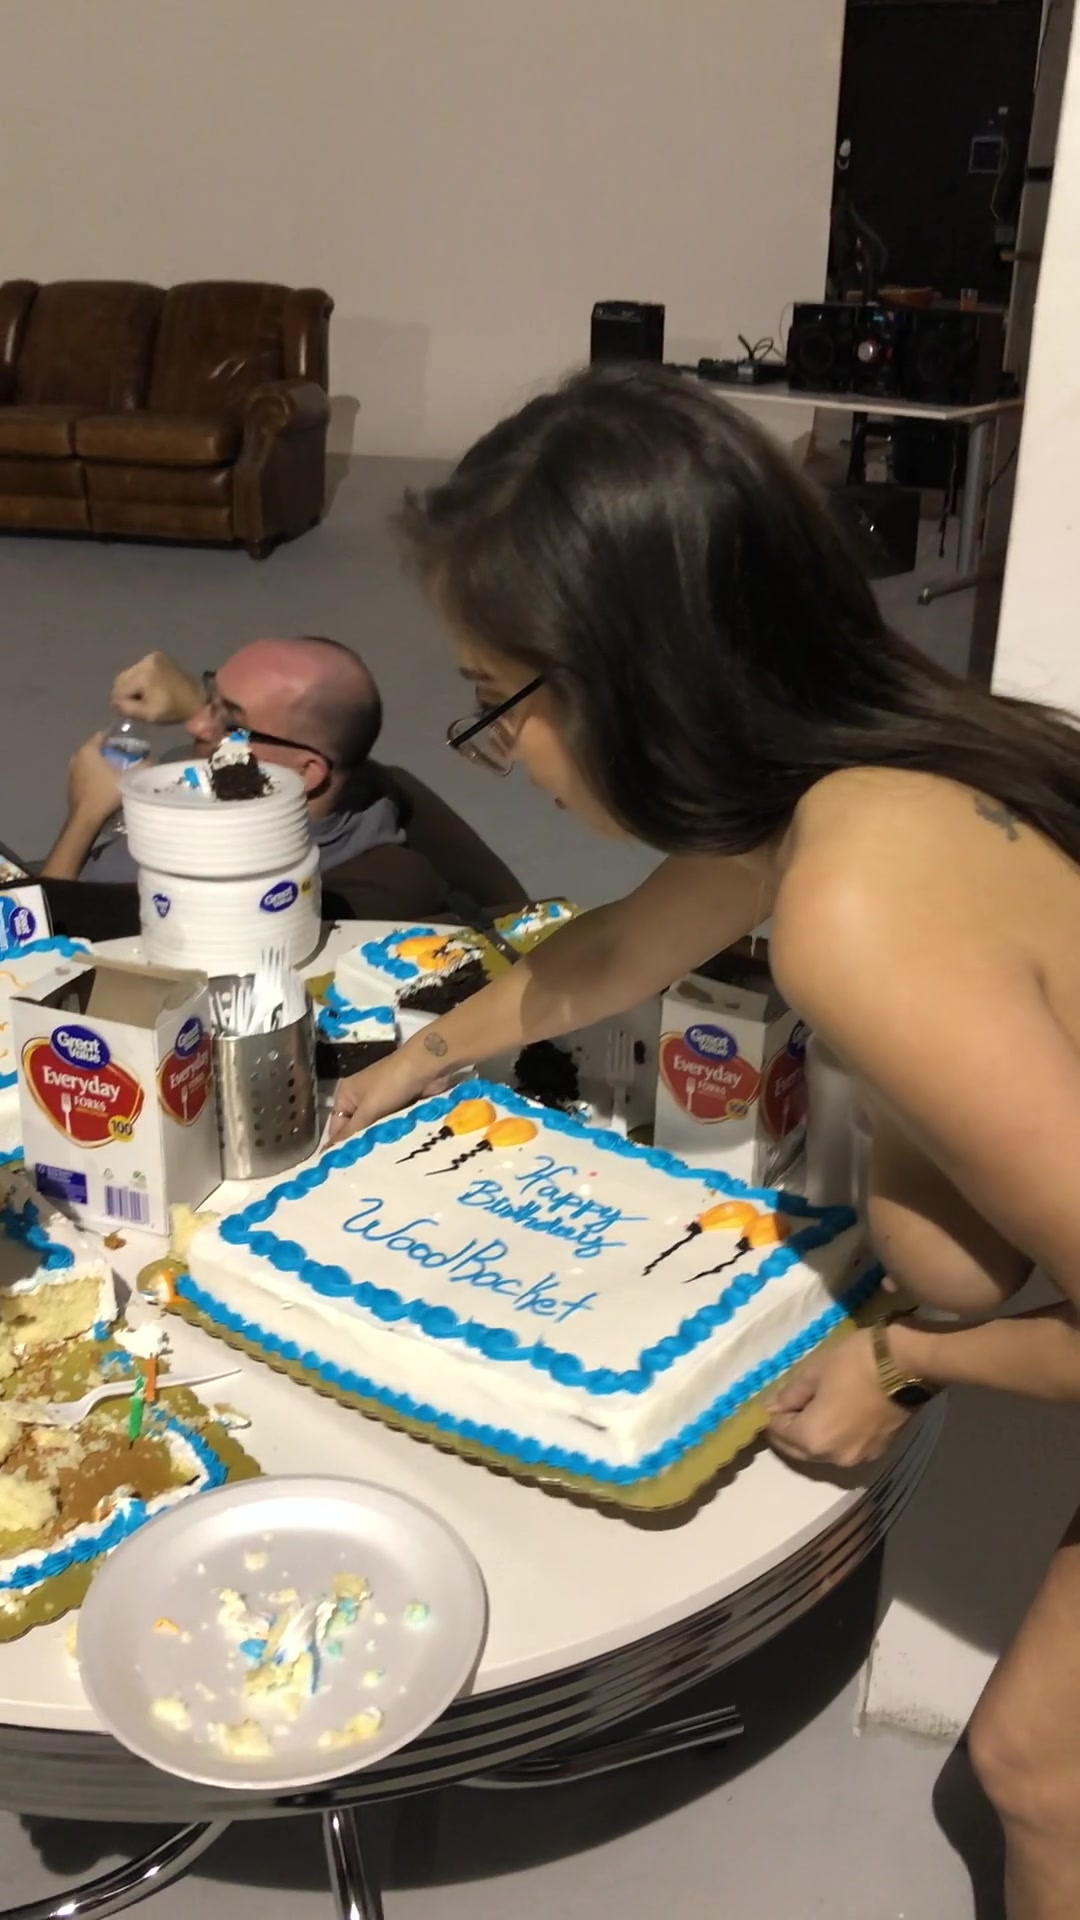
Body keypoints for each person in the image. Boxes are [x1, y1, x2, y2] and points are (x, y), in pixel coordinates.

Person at [328, 363, 1080, 1920]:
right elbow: (619, 948)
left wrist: (904, 1364)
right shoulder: (862, 774)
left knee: (1038, 1775)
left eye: (498, 704)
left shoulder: (855, 910)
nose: (510, 757)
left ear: (630, 679)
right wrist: (421, 1054)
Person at [40, 637, 524, 926]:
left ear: (306, 771)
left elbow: (40, 947)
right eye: (209, 699)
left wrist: (84, 816)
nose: (195, 726)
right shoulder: (358, 785)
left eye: (229, 721)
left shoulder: (304, 896)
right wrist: (201, 704)